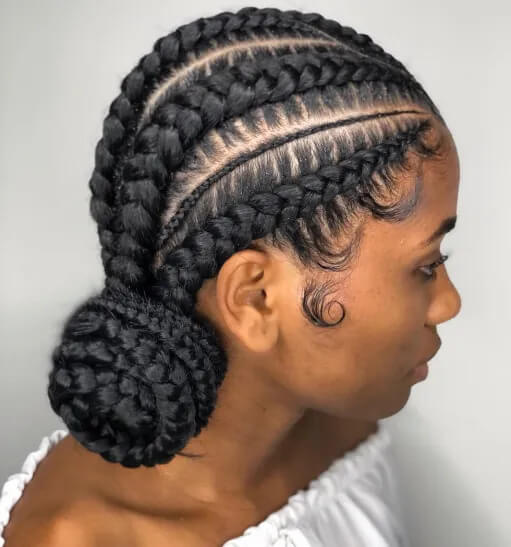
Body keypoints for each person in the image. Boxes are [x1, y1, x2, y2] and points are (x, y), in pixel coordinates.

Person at [0, 5, 461, 546]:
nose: (448, 303)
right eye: (426, 266)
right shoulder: (74, 539)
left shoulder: (342, 431)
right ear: (256, 298)